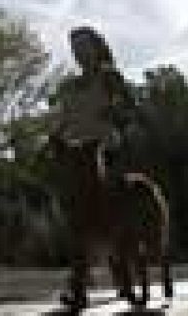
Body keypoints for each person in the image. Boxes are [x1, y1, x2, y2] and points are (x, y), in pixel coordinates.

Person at [49, 26, 141, 310]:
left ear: (95, 46)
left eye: (82, 45)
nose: (78, 52)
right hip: (76, 157)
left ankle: (124, 281)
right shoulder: (70, 86)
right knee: (78, 224)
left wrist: (114, 113)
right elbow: (63, 121)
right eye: (74, 48)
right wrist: (52, 139)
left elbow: (131, 109)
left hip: (107, 153)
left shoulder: (109, 77)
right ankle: (79, 289)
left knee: (111, 218)